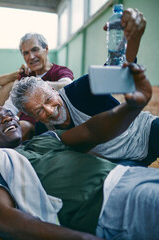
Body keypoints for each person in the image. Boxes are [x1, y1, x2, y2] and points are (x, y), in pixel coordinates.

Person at [0, 63, 159, 239]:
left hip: (134, 174)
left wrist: (131, 108)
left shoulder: (46, 139)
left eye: (9, 115)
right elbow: (3, 221)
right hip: (116, 200)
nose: (8, 119)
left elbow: (91, 131)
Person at [10, 10, 157, 166]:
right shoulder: (44, 131)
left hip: (145, 133)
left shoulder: (81, 89)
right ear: (35, 117)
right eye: (39, 111)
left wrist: (132, 39)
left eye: (48, 99)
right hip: (120, 161)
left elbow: (118, 74)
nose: (50, 110)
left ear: (54, 90)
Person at [0, 32, 74, 140]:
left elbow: (67, 84)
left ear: (46, 49)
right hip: (17, 123)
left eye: (35, 50)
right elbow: (11, 104)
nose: (31, 57)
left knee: (21, 126)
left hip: (38, 126)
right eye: (26, 53)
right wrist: (2, 119)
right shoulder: (25, 75)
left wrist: (38, 86)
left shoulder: (60, 71)